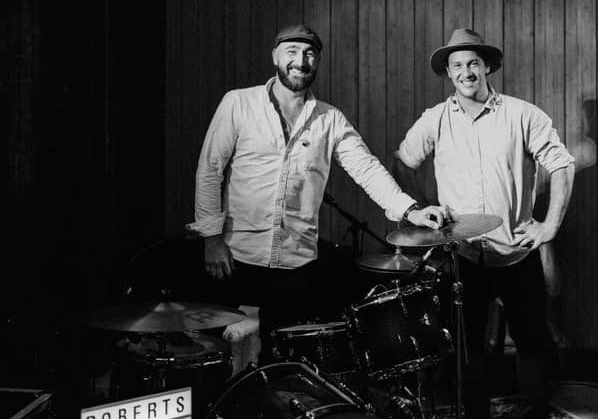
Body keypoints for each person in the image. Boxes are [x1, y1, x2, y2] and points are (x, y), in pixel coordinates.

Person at [188, 24, 445, 362]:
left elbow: (366, 169)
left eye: (309, 53)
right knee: (222, 357)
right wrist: (211, 237)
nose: (300, 60)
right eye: (292, 51)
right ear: (275, 56)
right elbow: (209, 170)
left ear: (317, 61)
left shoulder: (330, 119)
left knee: (282, 361)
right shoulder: (239, 103)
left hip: (296, 264)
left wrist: (410, 210)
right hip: (237, 257)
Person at [393, 28, 575, 419]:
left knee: (532, 347)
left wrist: (549, 225)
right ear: (449, 74)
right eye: (456, 66)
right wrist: (423, 207)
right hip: (463, 257)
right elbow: (402, 160)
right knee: (467, 350)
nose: (465, 72)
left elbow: (562, 164)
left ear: (487, 66)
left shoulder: (522, 114)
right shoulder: (435, 118)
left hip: (516, 254)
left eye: (472, 63)